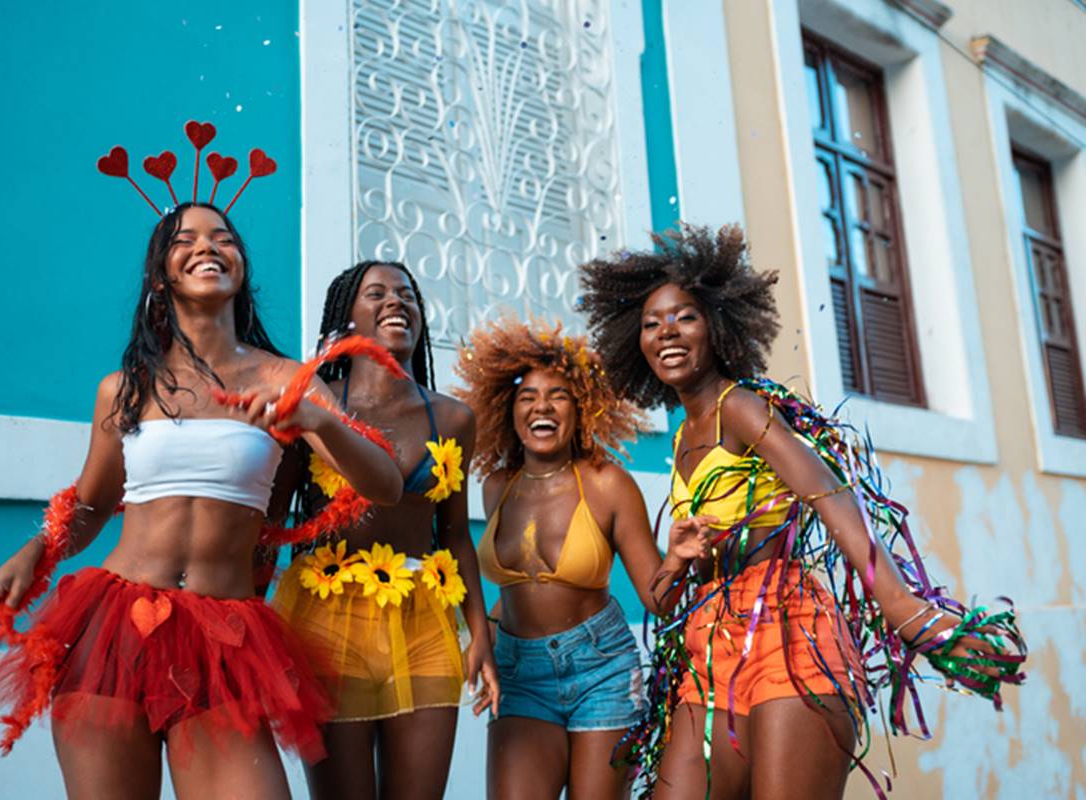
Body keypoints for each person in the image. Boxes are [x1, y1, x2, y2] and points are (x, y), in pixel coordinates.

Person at [578, 223, 1025, 799]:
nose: (667, 331)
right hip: (708, 644)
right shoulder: (683, 437)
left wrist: (901, 606)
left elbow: (830, 492)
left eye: (685, 316)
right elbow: (662, 602)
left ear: (717, 325)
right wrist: (679, 558)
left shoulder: (739, 406)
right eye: (651, 322)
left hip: (786, 633)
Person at [0, 202, 403, 800]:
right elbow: (95, 505)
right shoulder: (124, 389)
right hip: (115, 632)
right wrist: (35, 553)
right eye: (186, 239)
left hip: (224, 639)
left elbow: (384, 483)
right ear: (161, 276)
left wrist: (317, 420)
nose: (207, 245)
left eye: (223, 237)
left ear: (241, 267)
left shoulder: (286, 382)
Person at [272, 260, 500, 800]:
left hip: (425, 620)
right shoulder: (312, 403)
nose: (396, 301)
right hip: (327, 619)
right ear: (346, 317)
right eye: (376, 293)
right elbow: (272, 520)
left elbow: (455, 534)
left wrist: (480, 638)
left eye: (407, 295)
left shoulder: (454, 418)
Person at [453, 318, 706, 800]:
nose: (542, 407)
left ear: (582, 408)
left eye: (559, 396)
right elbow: (519, 589)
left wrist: (675, 558)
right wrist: (481, 637)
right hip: (518, 671)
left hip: (602, 670)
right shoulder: (496, 488)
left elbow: (659, 599)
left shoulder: (608, 483)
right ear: (508, 411)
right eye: (527, 397)